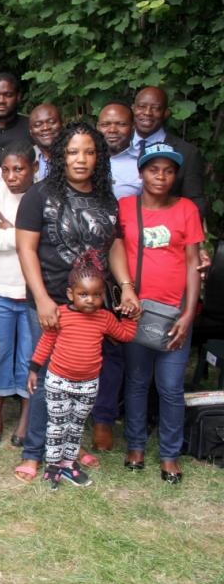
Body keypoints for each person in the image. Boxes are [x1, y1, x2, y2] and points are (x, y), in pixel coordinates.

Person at [13, 121, 119, 483]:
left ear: (98, 156)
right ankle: (33, 450)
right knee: (47, 379)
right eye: (73, 151)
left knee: (81, 376)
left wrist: (128, 285)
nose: (81, 159)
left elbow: (114, 245)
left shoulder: (106, 196)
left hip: (90, 304)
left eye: (89, 151)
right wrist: (42, 298)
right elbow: (25, 249)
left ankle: (69, 448)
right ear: (60, 156)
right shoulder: (38, 195)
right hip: (52, 301)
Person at [111, 142, 203, 484]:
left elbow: (194, 263)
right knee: (136, 381)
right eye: (153, 169)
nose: (161, 176)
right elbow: (115, 248)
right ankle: (135, 445)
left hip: (174, 313)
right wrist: (126, 289)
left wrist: (188, 312)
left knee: (170, 385)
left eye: (168, 170)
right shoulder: (125, 206)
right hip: (138, 310)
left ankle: (169, 453)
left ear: (175, 175)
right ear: (141, 173)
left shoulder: (187, 209)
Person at [28, 251, 137, 490]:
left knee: (76, 426)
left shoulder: (105, 318)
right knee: (57, 426)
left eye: (97, 295)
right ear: (71, 294)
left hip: (87, 385)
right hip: (58, 381)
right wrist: (34, 369)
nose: (90, 300)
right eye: (83, 294)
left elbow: (125, 335)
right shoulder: (60, 315)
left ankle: (68, 464)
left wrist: (132, 316)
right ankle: (52, 466)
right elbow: (45, 342)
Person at [0, 142, 38, 446]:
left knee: (30, 357)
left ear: (34, 168)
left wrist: (9, 230)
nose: (11, 176)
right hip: (1, 290)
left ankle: (26, 418)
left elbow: (47, 240)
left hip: (32, 295)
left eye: (19, 169)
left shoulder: (42, 196)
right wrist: (23, 233)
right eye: (6, 170)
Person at [91, 101, 140, 451]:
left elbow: (117, 239)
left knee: (111, 351)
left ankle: (104, 419)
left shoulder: (136, 171)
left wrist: (124, 285)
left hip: (111, 275)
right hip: (72, 276)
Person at [131, 86, 206, 217]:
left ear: (166, 113)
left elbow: (195, 203)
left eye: (155, 108)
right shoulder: (117, 145)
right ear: (133, 109)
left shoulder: (187, 153)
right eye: (142, 106)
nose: (147, 112)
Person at [27, 103, 62, 181]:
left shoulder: (74, 154)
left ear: (62, 124)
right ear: (31, 131)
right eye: (38, 124)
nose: (45, 128)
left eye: (52, 122)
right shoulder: (25, 157)